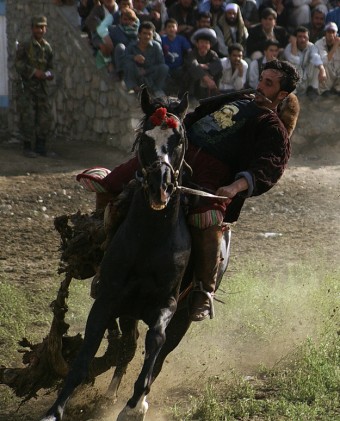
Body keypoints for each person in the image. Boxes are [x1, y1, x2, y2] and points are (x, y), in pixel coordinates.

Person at [89, 59, 300, 322]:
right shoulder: (237, 99)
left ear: (281, 94)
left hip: (211, 177)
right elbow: (192, 119)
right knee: (107, 182)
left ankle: (203, 290)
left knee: (207, 220)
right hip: (176, 157)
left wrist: (234, 187)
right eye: (261, 79)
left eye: (268, 84)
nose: (259, 86)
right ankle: (96, 247)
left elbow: (268, 167)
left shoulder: (272, 128)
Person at [15, 16, 54, 158]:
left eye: (43, 27)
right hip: (27, 87)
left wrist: (48, 74)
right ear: (32, 28)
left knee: (44, 116)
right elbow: (18, 64)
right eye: (37, 27)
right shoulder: (25, 45)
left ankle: (40, 146)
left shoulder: (47, 48)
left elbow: (51, 67)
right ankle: (27, 146)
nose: (40, 30)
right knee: (28, 116)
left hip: (41, 88)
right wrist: (33, 72)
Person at [123, 21, 169, 96]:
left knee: (164, 68)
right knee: (129, 64)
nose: (147, 36)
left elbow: (161, 63)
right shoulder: (132, 46)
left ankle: (157, 89)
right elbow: (124, 59)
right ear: (139, 35)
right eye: (144, 33)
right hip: (136, 75)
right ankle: (134, 88)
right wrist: (134, 57)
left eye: (149, 34)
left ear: (152, 36)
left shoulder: (156, 46)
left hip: (151, 74)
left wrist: (146, 71)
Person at [284, 25, 326, 96]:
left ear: (308, 38)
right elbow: (295, 61)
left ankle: (313, 90)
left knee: (318, 65)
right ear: (295, 38)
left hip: (307, 78)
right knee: (291, 65)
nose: (302, 39)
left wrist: (322, 70)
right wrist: (294, 44)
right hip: (295, 80)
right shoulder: (289, 48)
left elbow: (316, 58)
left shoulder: (311, 46)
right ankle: (293, 93)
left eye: (305, 37)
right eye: (300, 37)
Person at [183, 28, 222, 99]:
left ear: (210, 45)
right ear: (197, 44)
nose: (204, 45)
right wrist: (207, 79)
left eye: (206, 43)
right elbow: (194, 65)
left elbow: (218, 65)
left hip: (209, 82)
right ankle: (191, 96)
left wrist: (206, 66)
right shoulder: (192, 53)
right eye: (201, 42)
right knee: (193, 72)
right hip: (193, 82)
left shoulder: (212, 54)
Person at [161, 18, 192, 95]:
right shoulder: (161, 39)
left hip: (179, 67)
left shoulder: (181, 39)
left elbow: (189, 50)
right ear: (165, 29)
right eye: (169, 27)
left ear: (177, 29)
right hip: (166, 68)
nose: (171, 29)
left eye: (173, 26)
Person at [108, 8, 140, 79]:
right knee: (120, 47)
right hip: (118, 59)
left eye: (130, 20)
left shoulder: (138, 33)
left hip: (132, 58)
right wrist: (109, 63)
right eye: (125, 19)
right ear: (120, 19)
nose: (128, 22)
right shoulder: (113, 30)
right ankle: (120, 72)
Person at [315, 21, 340, 95]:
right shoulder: (319, 43)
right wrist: (335, 45)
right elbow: (324, 60)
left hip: (337, 72)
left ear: (336, 34)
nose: (331, 34)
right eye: (329, 32)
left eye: (333, 32)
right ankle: (324, 92)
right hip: (325, 75)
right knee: (323, 67)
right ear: (325, 33)